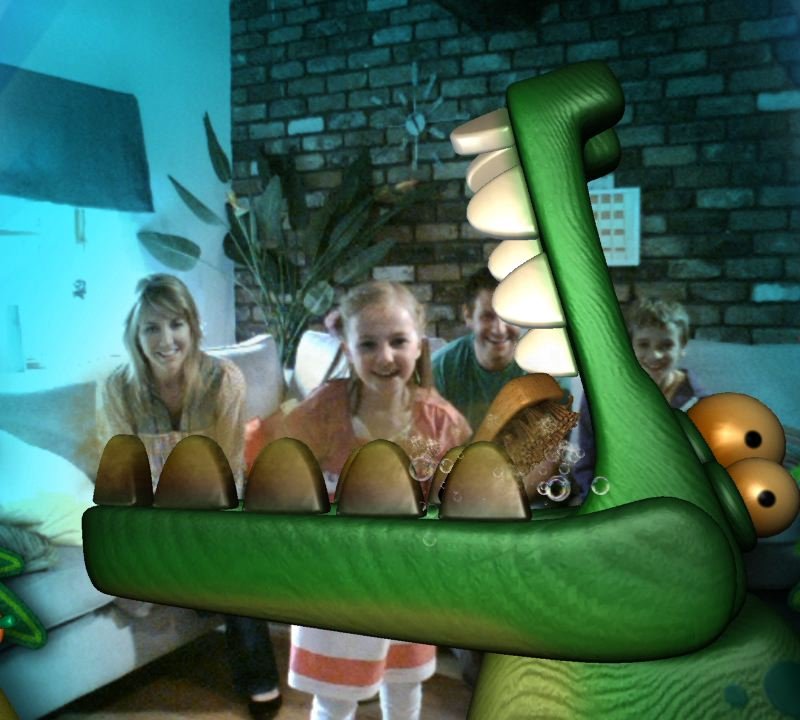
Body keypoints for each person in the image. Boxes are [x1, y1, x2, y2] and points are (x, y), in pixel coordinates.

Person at [246, 280, 471, 720]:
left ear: (418, 344)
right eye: (368, 344)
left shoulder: (439, 421)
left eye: (398, 342)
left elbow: (459, 491)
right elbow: (272, 458)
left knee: (405, 681)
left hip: (408, 577)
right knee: (335, 692)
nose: (385, 357)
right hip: (336, 578)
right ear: (348, 349)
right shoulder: (324, 410)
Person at [96, 274, 283, 720]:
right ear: (135, 334)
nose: (166, 340)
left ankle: (259, 681)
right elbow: (121, 472)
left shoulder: (224, 380)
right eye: (152, 328)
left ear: (193, 327)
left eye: (176, 324)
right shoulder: (117, 388)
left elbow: (227, 470)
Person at [571, 296, 709, 502]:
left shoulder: (701, 404)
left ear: (682, 347)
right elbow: (587, 461)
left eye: (666, 345)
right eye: (644, 344)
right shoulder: (600, 397)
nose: (655, 355)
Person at [431, 267, 526, 432]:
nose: (499, 329)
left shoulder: (546, 369)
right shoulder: (440, 368)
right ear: (468, 316)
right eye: (487, 316)